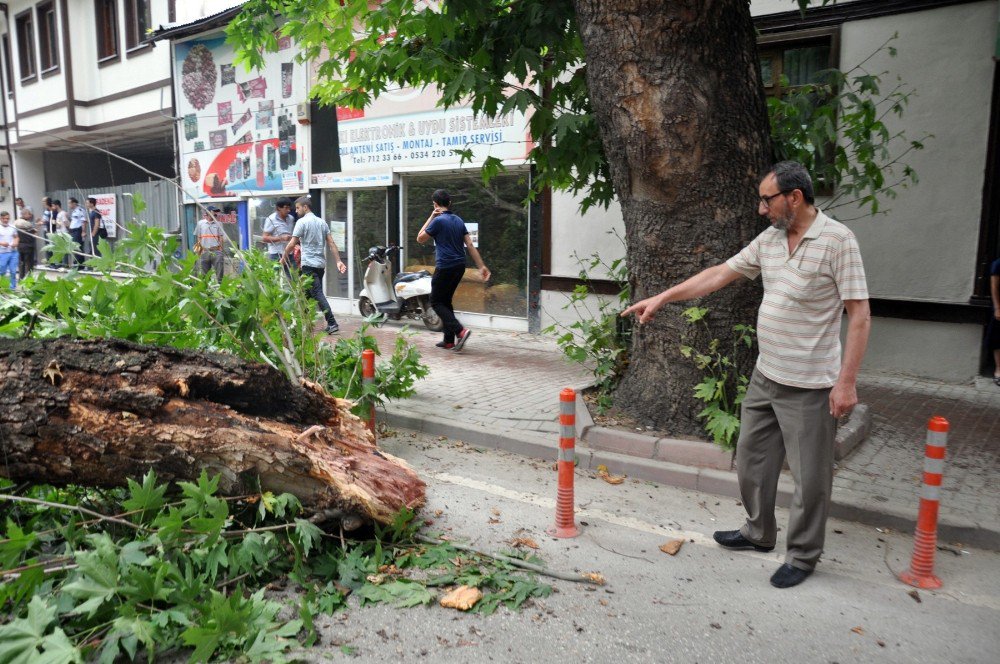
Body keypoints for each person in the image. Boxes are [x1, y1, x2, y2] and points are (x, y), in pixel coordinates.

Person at [621, 161, 871, 589]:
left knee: (811, 480)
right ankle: (758, 533)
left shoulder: (837, 241)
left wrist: (846, 382)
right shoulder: (770, 240)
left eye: (766, 199)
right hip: (766, 374)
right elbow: (719, 274)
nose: (761, 209)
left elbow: (860, 314)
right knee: (752, 461)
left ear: (794, 197)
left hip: (811, 384)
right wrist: (662, 297)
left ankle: (804, 555)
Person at [416, 189, 490, 351]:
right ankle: (449, 340)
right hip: (459, 266)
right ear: (450, 203)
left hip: (445, 266)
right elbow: (469, 245)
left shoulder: (438, 221)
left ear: (435, 204)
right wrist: (481, 266)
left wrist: (431, 216)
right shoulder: (458, 220)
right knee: (446, 300)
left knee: (435, 301)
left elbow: (420, 238)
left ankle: (460, 331)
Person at [280, 196, 346, 335]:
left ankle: (332, 323)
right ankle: (305, 323)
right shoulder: (322, 223)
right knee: (305, 295)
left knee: (316, 293)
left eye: (298, 208)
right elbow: (332, 243)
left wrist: (284, 257)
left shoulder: (301, 222)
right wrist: (338, 261)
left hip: (309, 265)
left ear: (305, 207)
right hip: (320, 266)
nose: (296, 211)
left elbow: (292, 243)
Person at [194, 206, 227, 281]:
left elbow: (221, 238)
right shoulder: (200, 223)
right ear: (208, 213)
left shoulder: (219, 224)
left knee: (219, 273)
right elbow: (198, 237)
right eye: (214, 211)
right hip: (204, 251)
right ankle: (206, 290)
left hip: (216, 251)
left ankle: (220, 288)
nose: (215, 213)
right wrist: (199, 251)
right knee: (204, 275)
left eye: (216, 212)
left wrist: (221, 251)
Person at [261, 198, 296, 268]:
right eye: (286, 208)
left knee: (293, 276)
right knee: (276, 277)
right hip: (276, 253)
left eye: (289, 208)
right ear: (278, 208)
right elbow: (264, 238)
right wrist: (281, 238)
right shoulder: (271, 219)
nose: (288, 210)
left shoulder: (291, 218)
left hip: (289, 253)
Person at [14, 207, 37, 280]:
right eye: (29, 214)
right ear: (24, 214)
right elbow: (34, 232)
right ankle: (29, 280)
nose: (30, 215)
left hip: (20, 246)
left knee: (21, 263)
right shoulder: (26, 223)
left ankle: (21, 278)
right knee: (29, 264)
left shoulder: (16, 223)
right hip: (28, 246)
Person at [0, 211, 19, 289]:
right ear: (0, 218)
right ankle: (2, 286)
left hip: (13, 252)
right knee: (2, 271)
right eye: (4, 218)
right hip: (2, 253)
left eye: (7, 218)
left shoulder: (12, 227)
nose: (5, 220)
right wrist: (1, 243)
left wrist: (16, 242)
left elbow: (16, 237)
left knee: (13, 271)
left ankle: (12, 288)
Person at [988, 256, 1000, 387]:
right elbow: (994, 287)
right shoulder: (998, 264)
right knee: (998, 340)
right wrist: (997, 307)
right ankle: (998, 371)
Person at [67, 198, 88, 267]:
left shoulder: (80, 210)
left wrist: (83, 231)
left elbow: (83, 221)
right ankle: (77, 262)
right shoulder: (74, 211)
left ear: (74, 203)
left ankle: (80, 264)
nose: (69, 205)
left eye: (69, 203)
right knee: (74, 247)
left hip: (78, 231)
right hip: (73, 231)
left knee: (78, 247)